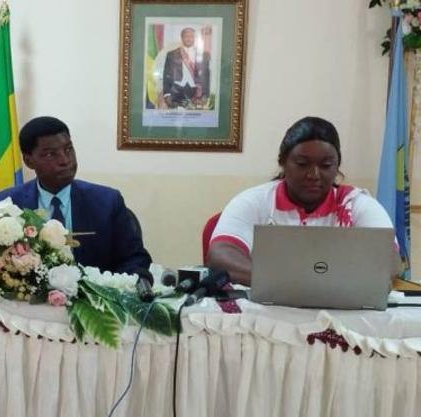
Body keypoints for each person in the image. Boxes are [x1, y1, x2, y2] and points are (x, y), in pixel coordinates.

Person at [206, 116, 394, 286]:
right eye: (302, 164)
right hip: (269, 304)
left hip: (340, 305)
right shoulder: (254, 201)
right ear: (283, 162)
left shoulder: (356, 204)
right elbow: (220, 254)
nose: (314, 175)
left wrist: (324, 285)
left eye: (326, 165)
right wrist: (286, 282)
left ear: (337, 166)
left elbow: (390, 259)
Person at [0, 116, 152, 274]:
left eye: (68, 149)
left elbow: (135, 260)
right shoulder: (6, 205)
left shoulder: (107, 202)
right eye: (50, 154)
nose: (65, 160)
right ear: (28, 161)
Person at [162, 27, 211, 109]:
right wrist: (167, 94)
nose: (189, 38)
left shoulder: (204, 55)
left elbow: (206, 76)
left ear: (195, 38)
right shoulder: (171, 54)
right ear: (182, 38)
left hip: (196, 92)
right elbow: (166, 75)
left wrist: (205, 95)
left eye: (191, 36)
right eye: (186, 36)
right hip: (176, 91)